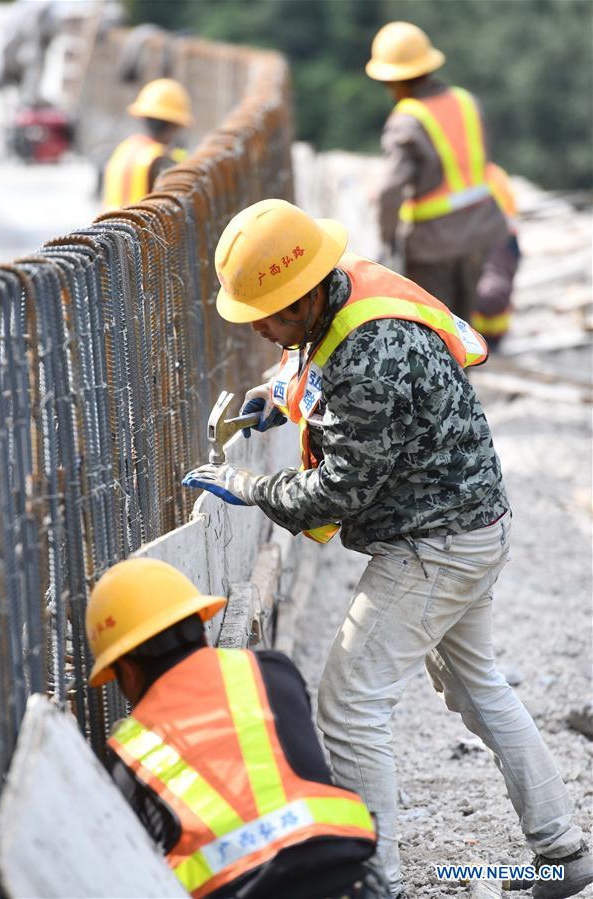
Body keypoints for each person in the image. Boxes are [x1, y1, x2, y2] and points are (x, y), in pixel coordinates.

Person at [183, 199, 593, 899]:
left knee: (348, 702)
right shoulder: (342, 290)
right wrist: (278, 395)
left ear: (306, 291)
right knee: (476, 687)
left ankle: (377, 880)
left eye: (270, 316)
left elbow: (337, 491)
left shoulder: (369, 355)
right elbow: (316, 363)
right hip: (469, 522)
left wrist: (248, 486)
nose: (258, 328)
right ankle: (562, 851)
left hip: (436, 543)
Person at [85, 556, 381, 899]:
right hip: (343, 875)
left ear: (128, 672)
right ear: (200, 623)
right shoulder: (272, 672)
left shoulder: (129, 756)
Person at [366, 21, 508, 323]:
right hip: (481, 231)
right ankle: (464, 371)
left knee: (436, 331)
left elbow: (390, 191)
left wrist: (386, 241)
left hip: (433, 246)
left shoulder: (406, 121)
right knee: (464, 327)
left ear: (394, 81)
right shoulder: (467, 101)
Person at [102, 78, 192, 209]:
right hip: (144, 228)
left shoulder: (123, 149)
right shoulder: (162, 161)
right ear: (174, 126)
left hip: (110, 226)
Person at [472, 163, 522, 350]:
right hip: (505, 238)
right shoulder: (496, 174)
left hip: (494, 238)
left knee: (491, 290)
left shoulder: (479, 176)